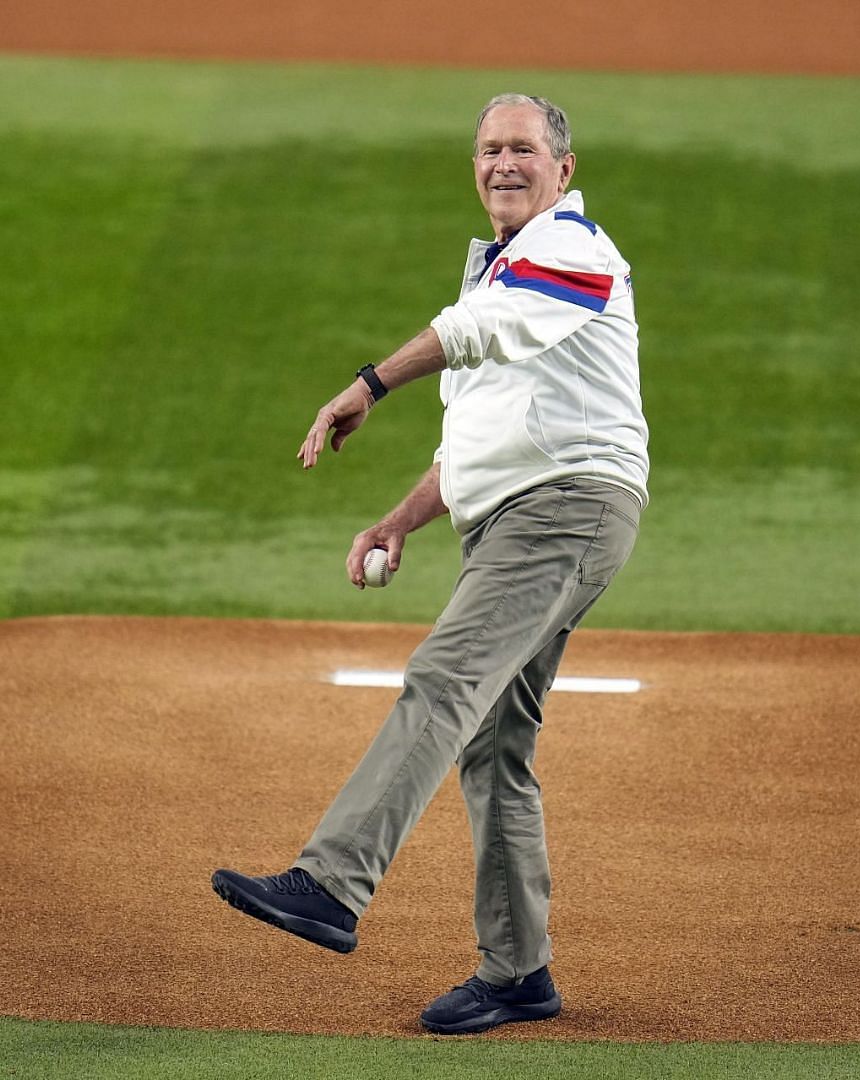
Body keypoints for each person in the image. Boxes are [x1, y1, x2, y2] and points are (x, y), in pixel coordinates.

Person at [211, 93, 649, 1036]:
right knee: (494, 740)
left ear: (563, 169)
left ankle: (331, 882)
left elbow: (470, 335)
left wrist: (367, 383)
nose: (504, 163)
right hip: (521, 512)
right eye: (489, 148)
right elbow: (481, 434)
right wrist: (403, 517)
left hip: (567, 509)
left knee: (445, 678)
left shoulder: (572, 250)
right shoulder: (500, 267)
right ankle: (519, 971)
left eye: (523, 149)